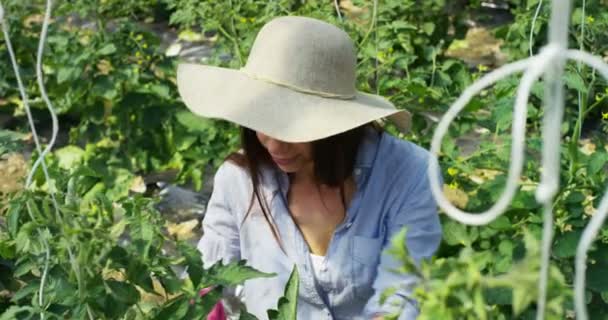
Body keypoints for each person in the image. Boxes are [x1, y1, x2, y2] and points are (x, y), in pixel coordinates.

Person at [177, 16, 442, 320]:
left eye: (292, 130)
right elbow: (209, 278)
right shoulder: (239, 178)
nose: (274, 146)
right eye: (262, 123)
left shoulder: (406, 174)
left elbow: (401, 294)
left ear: (338, 127)